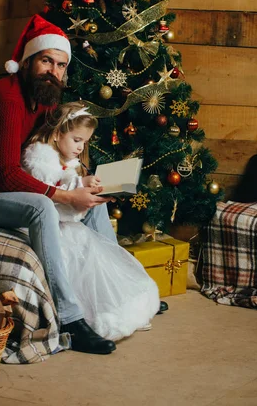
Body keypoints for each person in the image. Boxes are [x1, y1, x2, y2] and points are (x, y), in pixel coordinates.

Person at [0, 14, 117, 354]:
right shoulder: (7, 99)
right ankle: (70, 318)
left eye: (61, 65)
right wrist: (65, 194)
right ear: (27, 62)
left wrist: (80, 184)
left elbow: (52, 149)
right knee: (43, 206)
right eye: (46, 61)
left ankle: (120, 290)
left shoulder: (43, 97)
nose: (54, 71)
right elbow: (7, 175)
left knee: (92, 197)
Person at [22, 102, 161, 341]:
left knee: (98, 206)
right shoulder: (39, 158)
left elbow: (66, 182)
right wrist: (79, 187)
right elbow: (48, 195)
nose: (80, 147)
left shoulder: (64, 156)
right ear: (57, 134)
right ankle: (98, 311)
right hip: (49, 221)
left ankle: (124, 293)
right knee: (82, 247)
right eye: (76, 140)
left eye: (84, 142)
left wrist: (85, 184)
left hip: (63, 218)